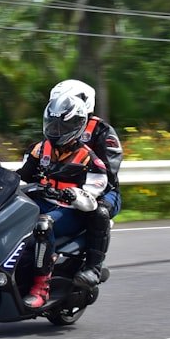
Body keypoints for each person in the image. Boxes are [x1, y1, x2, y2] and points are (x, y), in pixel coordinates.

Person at [17, 94, 109, 308]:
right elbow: (23, 175)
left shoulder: (89, 158)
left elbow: (94, 195)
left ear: (77, 125)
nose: (56, 130)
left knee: (42, 225)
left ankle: (41, 288)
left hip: (70, 210)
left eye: (63, 125)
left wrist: (74, 194)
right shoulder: (39, 149)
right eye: (52, 124)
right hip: (42, 201)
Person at [49, 79, 123, 287]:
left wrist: (78, 180)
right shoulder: (58, 125)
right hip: (62, 190)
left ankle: (93, 267)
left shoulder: (102, 131)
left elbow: (109, 170)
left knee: (99, 212)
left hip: (103, 190)